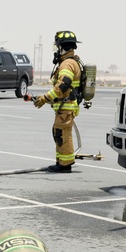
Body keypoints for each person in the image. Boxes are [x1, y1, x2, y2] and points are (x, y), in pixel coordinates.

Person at [31, 31, 83, 173]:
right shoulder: (71, 62)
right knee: (58, 133)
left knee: (62, 134)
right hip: (64, 107)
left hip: (66, 108)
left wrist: (44, 98)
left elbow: (63, 85)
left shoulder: (67, 64)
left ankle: (65, 165)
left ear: (61, 47)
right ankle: (61, 161)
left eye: (57, 47)